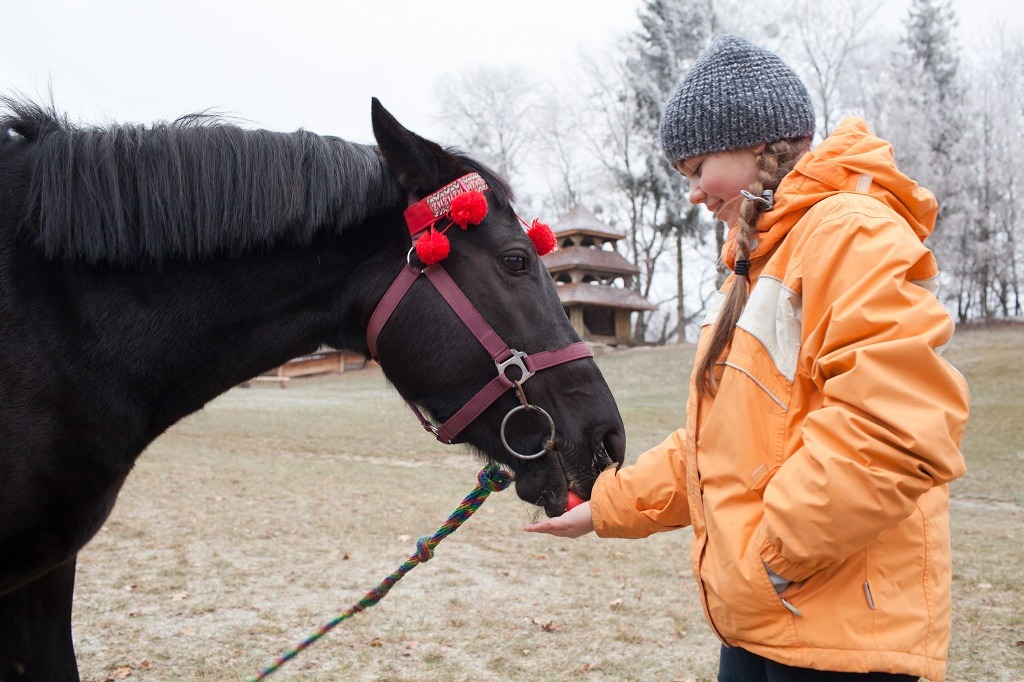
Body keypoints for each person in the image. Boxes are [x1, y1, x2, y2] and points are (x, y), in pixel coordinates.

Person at [525, 34, 970, 682]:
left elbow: (897, 426)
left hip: (835, 633)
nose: (695, 195)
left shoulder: (850, 231)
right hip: (765, 618)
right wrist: (607, 506)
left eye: (698, 168)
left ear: (758, 145)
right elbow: (718, 445)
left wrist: (776, 550)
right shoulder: (753, 270)